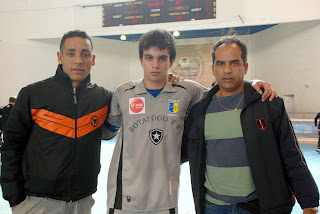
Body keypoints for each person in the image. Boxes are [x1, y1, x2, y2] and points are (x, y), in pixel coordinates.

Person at [106, 29, 276, 214]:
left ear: (171, 61)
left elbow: (225, 88)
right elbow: (109, 130)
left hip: (165, 199)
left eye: (162, 58)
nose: (155, 65)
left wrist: (251, 83)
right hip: (123, 198)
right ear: (141, 60)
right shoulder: (123, 92)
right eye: (149, 58)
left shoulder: (187, 91)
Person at [182, 36, 319, 214]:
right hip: (213, 206)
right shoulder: (199, 112)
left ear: (245, 67)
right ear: (213, 68)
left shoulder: (268, 104)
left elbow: (291, 154)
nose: (227, 70)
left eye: (235, 63)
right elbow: (181, 152)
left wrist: (308, 202)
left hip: (257, 206)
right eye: (221, 64)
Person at [0, 30, 114, 214]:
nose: (78, 60)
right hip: (37, 202)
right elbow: (11, 146)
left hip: (82, 202)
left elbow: (112, 129)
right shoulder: (32, 94)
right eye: (71, 53)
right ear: (60, 57)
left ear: (92, 59)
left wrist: (168, 82)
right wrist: (14, 199)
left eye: (85, 54)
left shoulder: (103, 98)